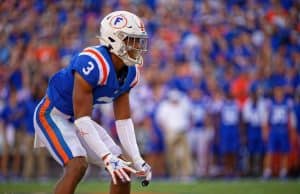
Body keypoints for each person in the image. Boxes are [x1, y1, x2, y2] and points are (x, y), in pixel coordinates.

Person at [33, 11, 151, 194]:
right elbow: (82, 121)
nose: (137, 46)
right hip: (52, 114)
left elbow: (123, 120)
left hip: (76, 118)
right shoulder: (92, 63)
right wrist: (107, 157)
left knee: (122, 170)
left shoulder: (130, 72)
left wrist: (137, 159)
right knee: (77, 165)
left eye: (138, 40)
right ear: (114, 39)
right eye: (132, 40)